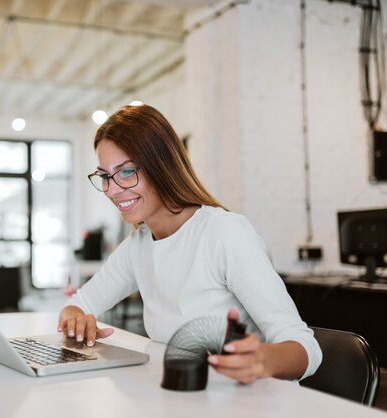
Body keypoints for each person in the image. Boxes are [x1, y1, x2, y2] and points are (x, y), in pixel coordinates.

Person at [58, 104, 321, 384]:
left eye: (126, 171)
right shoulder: (138, 245)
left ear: (162, 166)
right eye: (105, 176)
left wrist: (263, 359)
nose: (111, 189)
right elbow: (79, 303)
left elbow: (304, 347)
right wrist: (75, 319)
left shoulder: (223, 232)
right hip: (182, 397)